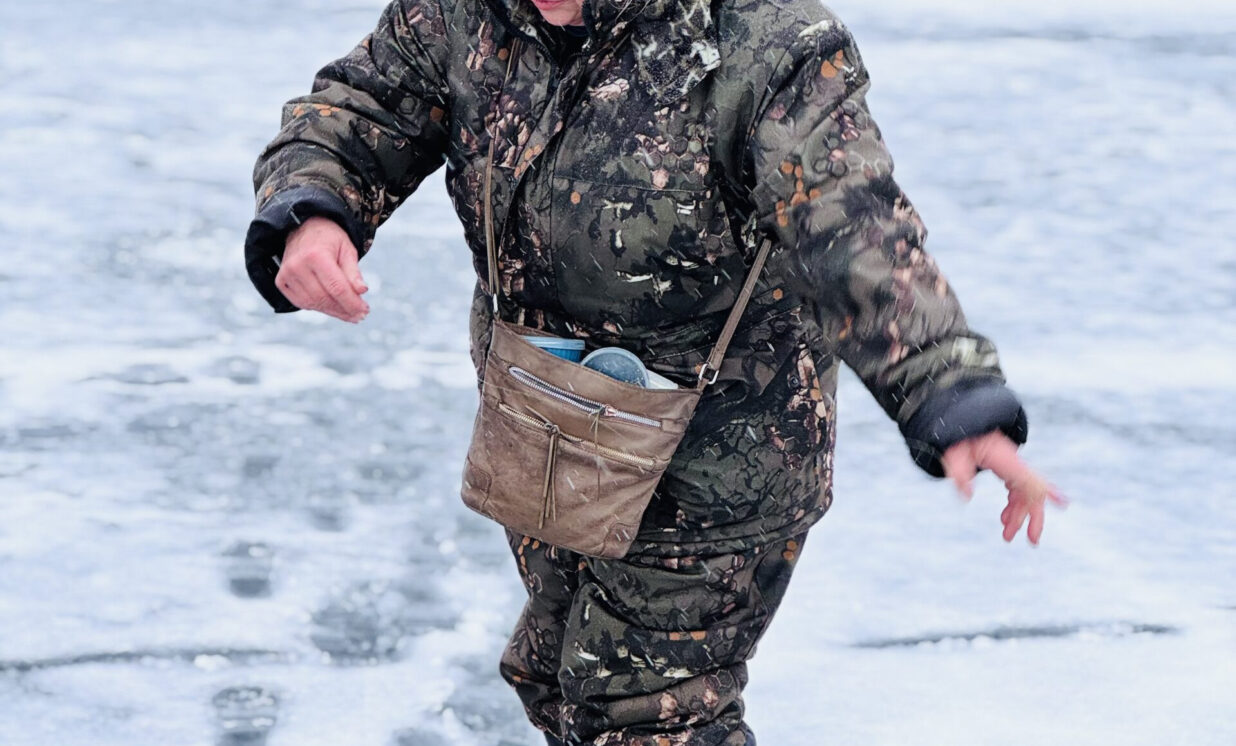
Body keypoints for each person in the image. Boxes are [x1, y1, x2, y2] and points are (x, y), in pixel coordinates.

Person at [244, 0, 1067, 742]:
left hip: (719, 458)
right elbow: (359, 109)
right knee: (556, 681)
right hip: (546, 423)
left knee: (643, 714)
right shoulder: (461, 14)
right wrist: (315, 210)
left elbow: (854, 230)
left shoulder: (766, 40)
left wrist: (949, 393)